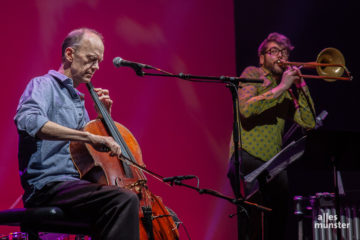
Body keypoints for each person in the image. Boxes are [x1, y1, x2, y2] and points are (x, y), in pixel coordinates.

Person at [14, 28, 139, 240]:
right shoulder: (42, 85)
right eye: (91, 59)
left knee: (134, 206)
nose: (97, 67)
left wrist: (103, 119)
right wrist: (89, 136)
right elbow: (29, 121)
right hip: (48, 186)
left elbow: (90, 158)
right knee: (123, 201)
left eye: (99, 61)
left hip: (74, 186)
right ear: (70, 54)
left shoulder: (78, 102)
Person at [227, 32, 316, 239]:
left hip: (273, 164)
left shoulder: (288, 92)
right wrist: (282, 87)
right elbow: (246, 110)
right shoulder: (253, 74)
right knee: (251, 223)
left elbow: (309, 122)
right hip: (246, 157)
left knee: (277, 225)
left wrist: (301, 86)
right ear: (262, 58)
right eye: (274, 51)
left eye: (284, 51)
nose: (280, 56)